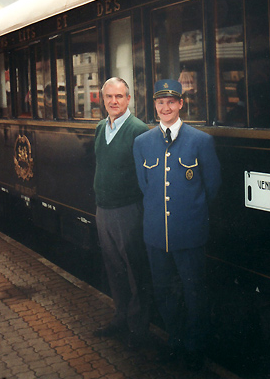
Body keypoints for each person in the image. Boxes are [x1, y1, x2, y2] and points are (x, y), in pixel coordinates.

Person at [133, 79, 221, 370]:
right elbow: (145, 186)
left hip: (190, 232)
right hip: (156, 234)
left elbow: (212, 187)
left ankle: (194, 348)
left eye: (171, 102)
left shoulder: (200, 140)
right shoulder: (142, 143)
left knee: (194, 292)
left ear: (181, 104)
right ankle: (175, 342)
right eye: (160, 102)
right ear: (154, 106)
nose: (165, 107)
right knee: (164, 291)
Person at [93, 77, 150, 348]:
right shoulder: (100, 127)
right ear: (102, 99)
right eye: (109, 97)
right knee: (114, 268)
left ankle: (138, 329)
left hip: (127, 210)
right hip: (103, 209)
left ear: (129, 99)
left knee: (135, 270)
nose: (113, 101)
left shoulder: (138, 130)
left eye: (119, 96)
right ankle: (120, 318)